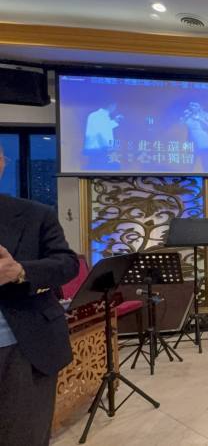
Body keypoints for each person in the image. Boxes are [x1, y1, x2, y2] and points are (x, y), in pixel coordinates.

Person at [0, 143, 79, 445]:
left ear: (2, 163)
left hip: (21, 346)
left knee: (24, 437)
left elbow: (67, 263)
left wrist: (20, 271)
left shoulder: (35, 214)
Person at [84, 102, 123, 168]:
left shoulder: (96, 115)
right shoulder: (101, 116)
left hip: (96, 150)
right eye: (115, 106)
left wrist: (115, 121)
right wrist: (107, 149)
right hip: (99, 150)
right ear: (111, 105)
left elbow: (104, 127)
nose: (115, 108)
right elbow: (100, 133)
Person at [181, 102, 208, 169]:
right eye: (191, 105)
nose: (193, 107)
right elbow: (181, 125)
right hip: (191, 142)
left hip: (203, 142)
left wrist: (200, 119)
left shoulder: (206, 115)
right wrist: (185, 117)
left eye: (195, 105)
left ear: (200, 106)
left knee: (207, 163)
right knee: (189, 165)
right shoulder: (188, 115)